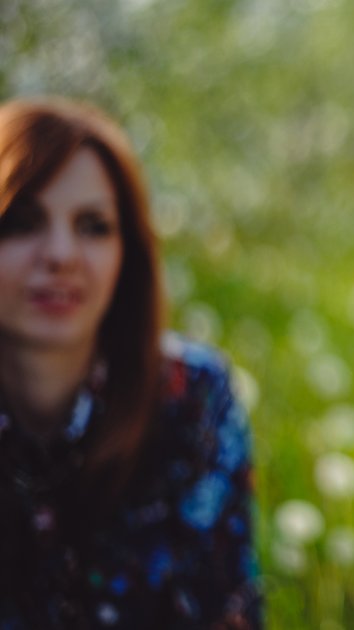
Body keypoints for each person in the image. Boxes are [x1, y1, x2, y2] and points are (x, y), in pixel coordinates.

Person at [0, 97, 261, 629]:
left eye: (93, 225)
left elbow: (228, 610)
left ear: (129, 253)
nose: (60, 254)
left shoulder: (194, 399)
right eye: (23, 222)